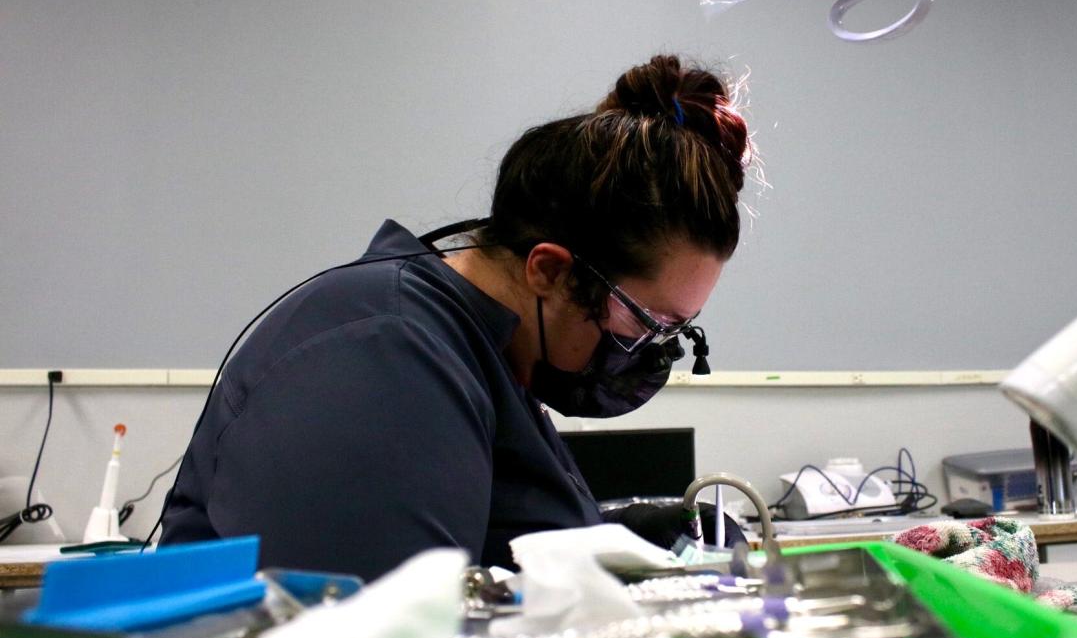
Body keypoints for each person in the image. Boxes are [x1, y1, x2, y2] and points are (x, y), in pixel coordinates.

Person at [159, 54, 751, 581]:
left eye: (674, 331)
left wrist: (615, 538)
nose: (649, 350)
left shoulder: (482, 352)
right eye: (645, 321)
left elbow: (483, 540)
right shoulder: (383, 353)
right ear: (548, 270)